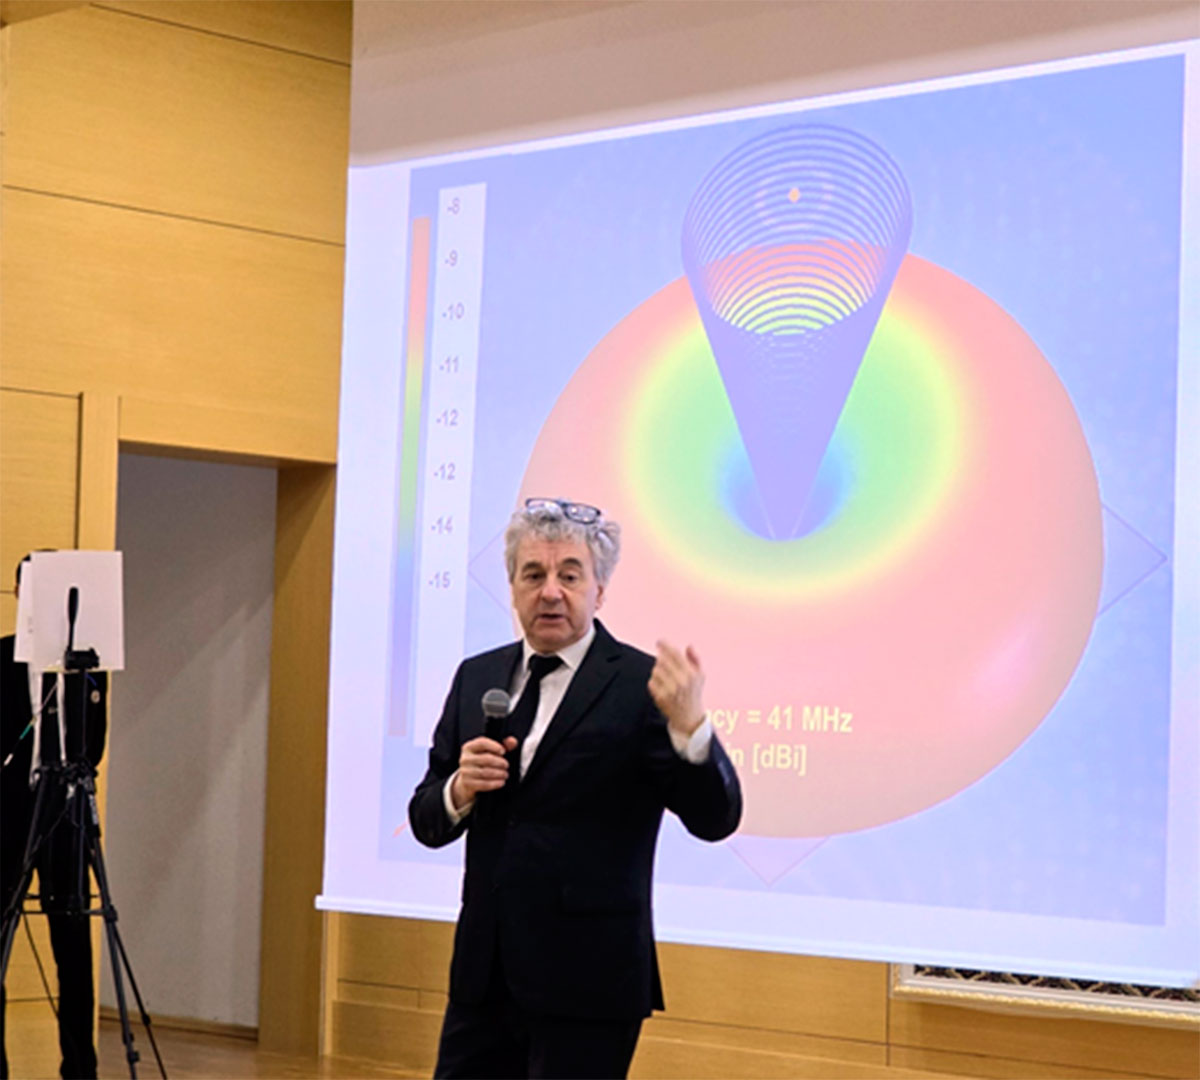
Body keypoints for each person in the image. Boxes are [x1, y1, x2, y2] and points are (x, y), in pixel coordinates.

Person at [409, 498, 742, 1079]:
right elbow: (425, 819)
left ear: (599, 590)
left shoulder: (641, 686)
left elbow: (716, 819)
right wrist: (460, 788)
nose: (550, 592)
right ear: (512, 587)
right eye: (533, 575)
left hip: (589, 982)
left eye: (569, 575)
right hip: (485, 977)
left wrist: (692, 730)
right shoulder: (476, 677)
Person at [1, 554, 107, 1080]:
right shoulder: (2, 657)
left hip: (67, 817)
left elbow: (94, 746)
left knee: (73, 947)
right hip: (10, 817)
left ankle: (80, 1067)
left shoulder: (87, 668)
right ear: (19, 594)